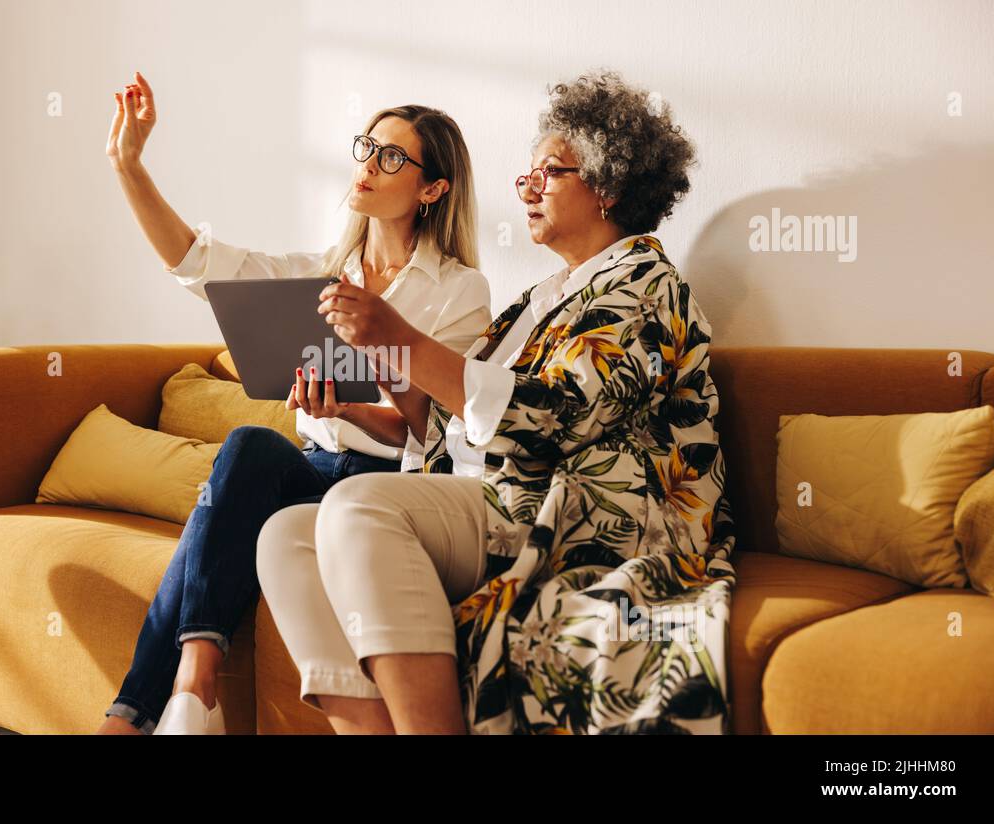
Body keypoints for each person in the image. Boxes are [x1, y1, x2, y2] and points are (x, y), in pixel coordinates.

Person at [256, 70, 738, 734]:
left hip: (561, 511)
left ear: (611, 187)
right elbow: (448, 423)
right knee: (284, 535)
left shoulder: (647, 286)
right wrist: (379, 371)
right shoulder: (538, 300)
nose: (529, 187)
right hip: (482, 496)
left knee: (357, 503)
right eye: (527, 174)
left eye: (551, 172)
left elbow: (554, 414)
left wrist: (399, 334)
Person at [97, 70, 492, 734]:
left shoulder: (460, 291)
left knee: (217, 518)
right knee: (249, 446)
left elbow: (433, 429)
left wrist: (349, 408)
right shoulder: (321, 275)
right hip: (306, 470)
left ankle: (134, 715)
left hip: (385, 486)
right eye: (365, 147)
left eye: (391, 156)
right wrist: (128, 165)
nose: (367, 165)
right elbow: (197, 262)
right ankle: (194, 686)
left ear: (432, 188)